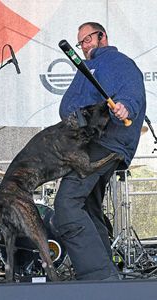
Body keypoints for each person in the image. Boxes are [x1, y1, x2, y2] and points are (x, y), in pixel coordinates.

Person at [53, 22, 146, 281]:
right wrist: (75, 119)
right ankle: (108, 275)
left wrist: (126, 106)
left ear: (102, 36)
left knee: (67, 202)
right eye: (80, 42)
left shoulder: (118, 62)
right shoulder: (86, 70)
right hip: (91, 144)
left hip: (107, 144)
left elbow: (132, 90)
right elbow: (69, 104)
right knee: (88, 207)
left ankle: (98, 276)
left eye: (87, 39)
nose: (83, 46)